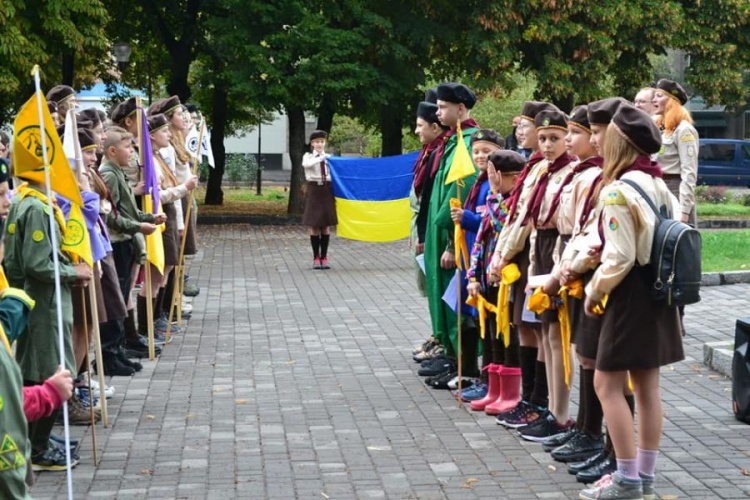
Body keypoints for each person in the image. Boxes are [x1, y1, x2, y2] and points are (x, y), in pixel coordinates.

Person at [579, 103, 684, 500]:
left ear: (619, 142)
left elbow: (619, 256)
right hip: (658, 294)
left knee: (606, 384)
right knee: (647, 388)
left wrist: (595, 290)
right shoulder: (658, 186)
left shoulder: (618, 191)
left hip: (628, 298)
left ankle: (626, 480)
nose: (594, 139)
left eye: (600, 133)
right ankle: (645, 474)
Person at [4, 153, 92, 470]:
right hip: (45, 303)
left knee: (36, 366)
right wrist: (74, 273)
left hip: (40, 301)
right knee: (54, 369)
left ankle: (33, 440)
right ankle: (35, 448)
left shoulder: (28, 202)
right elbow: (37, 264)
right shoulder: (37, 208)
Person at [540, 105, 605, 465]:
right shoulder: (580, 172)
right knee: (573, 344)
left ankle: (592, 433)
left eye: (575, 133)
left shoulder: (595, 176)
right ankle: (578, 423)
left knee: (587, 350)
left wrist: (568, 268)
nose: (568, 140)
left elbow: (588, 231)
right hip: (564, 255)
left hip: (581, 264)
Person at [489, 101, 556, 431]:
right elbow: (515, 216)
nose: (522, 131)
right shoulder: (532, 166)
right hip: (523, 257)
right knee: (527, 328)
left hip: (536, 257)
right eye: (526, 127)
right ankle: (529, 398)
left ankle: (540, 403)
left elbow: (525, 220)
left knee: (543, 332)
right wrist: (501, 252)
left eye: (527, 126)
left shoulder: (545, 168)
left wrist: (503, 252)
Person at [420, 82, 479, 383]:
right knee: (440, 294)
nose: (438, 112)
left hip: (450, 233)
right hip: (437, 229)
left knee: (453, 297)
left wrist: (449, 242)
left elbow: (461, 192)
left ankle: (461, 363)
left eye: (443, 107)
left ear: (460, 109)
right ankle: (449, 354)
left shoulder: (469, 142)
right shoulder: (452, 139)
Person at [444, 129, 504, 391]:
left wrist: (467, 219)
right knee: (468, 316)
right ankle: (471, 372)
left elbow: (497, 222)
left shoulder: (494, 185)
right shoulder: (477, 183)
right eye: (476, 151)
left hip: (487, 262)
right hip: (470, 260)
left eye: (487, 152)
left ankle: (488, 379)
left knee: (488, 324)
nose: (480, 156)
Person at [464, 150, 524, 410]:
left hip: (507, 281)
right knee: (489, 334)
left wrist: (496, 194)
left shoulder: (514, 202)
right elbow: (480, 239)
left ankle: (510, 394)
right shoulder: (494, 200)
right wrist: (473, 275)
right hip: (488, 279)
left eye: (493, 176)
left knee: (507, 334)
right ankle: (494, 388)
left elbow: (504, 227)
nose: (490, 181)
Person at [99, 127, 166, 356]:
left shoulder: (117, 171)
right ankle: (114, 348)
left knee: (123, 292)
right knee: (118, 297)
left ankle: (121, 345)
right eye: (128, 148)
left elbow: (126, 208)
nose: (132, 153)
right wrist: (139, 227)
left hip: (126, 240)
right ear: (112, 150)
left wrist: (149, 217)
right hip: (118, 243)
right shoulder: (108, 173)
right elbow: (111, 215)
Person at [653, 79, 698, 227]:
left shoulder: (683, 130)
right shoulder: (660, 127)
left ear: (672, 100)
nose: (654, 100)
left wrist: (684, 212)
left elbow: (689, 172)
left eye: (659, 96)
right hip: (659, 187)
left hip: (675, 189)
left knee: (680, 244)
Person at [301, 130, 337, 270]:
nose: (319, 144)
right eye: (316, 142)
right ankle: (316, 257)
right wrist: (320, 159)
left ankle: (324, 256)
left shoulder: (330, 157)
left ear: (325, 143)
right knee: (315, 225)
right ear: (312, 144)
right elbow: (306, 165)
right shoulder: (308, 156)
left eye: (322, 142)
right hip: (314, 189)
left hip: (327, 190)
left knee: (326, 225)